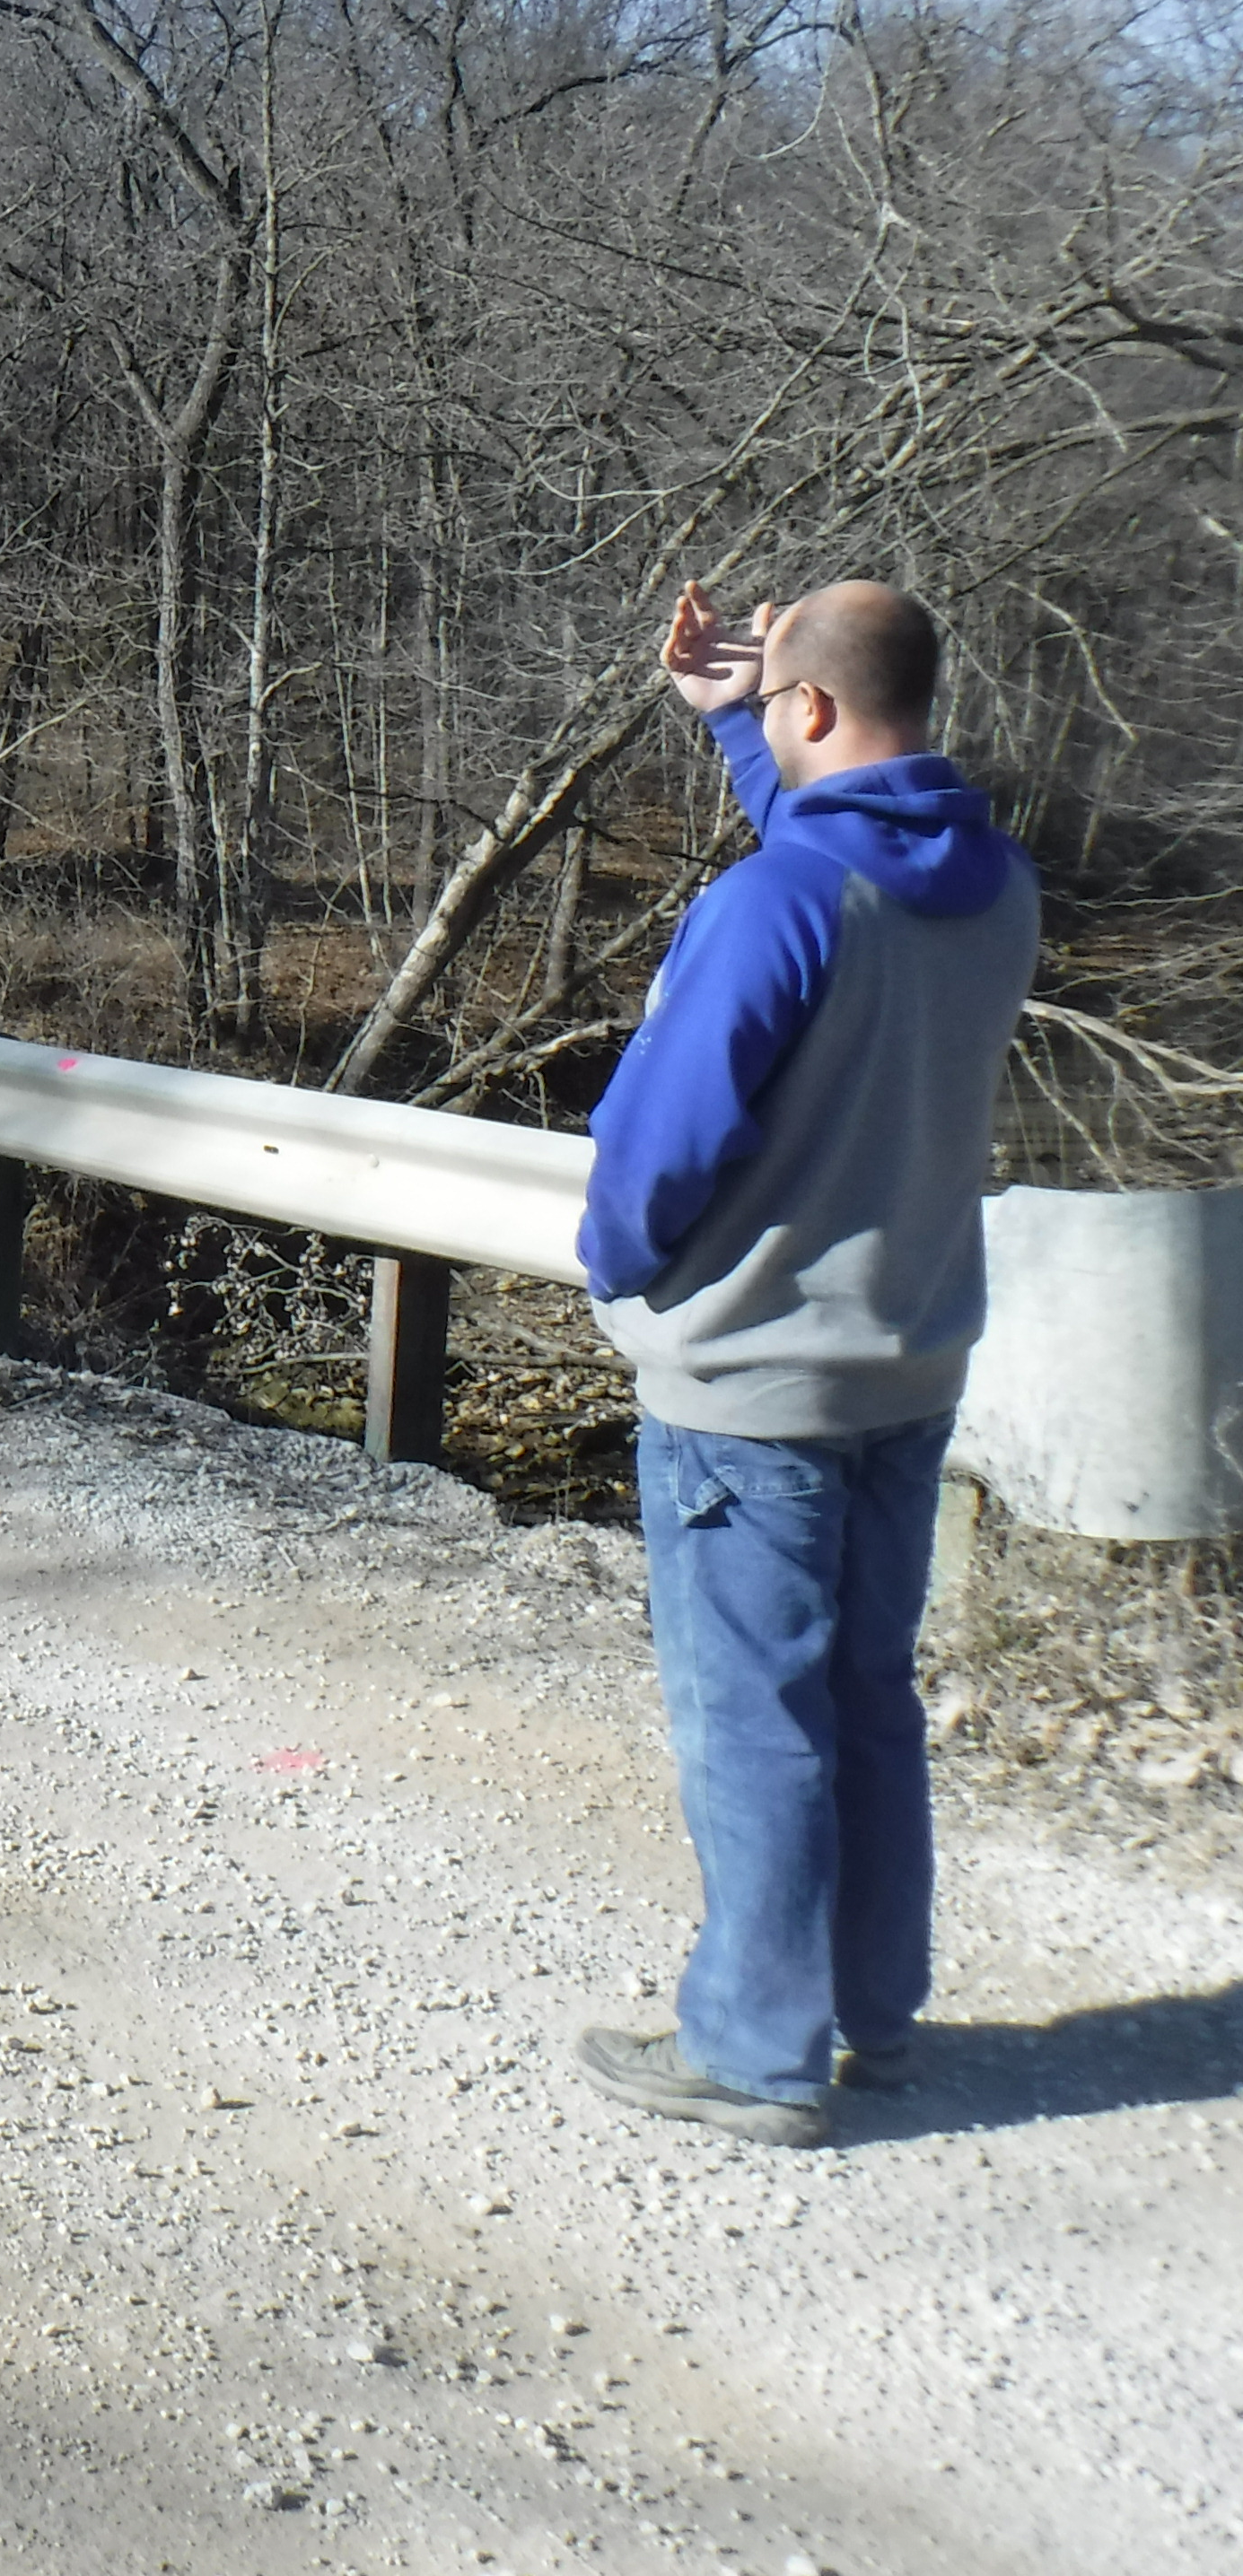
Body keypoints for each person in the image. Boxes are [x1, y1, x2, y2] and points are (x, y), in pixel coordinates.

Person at [571, 579, 1037, 2148]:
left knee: (751, 1717)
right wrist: (733, 725)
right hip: (903, 1369)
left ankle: (754, 2052)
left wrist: (621, 1271)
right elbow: (842, 845)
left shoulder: (771, 906)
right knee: (862, 1700)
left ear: (817, 712)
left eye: (773, 697)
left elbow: (659, 1145)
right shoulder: (989, 887)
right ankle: (869, 2012)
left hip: (749, 1389)